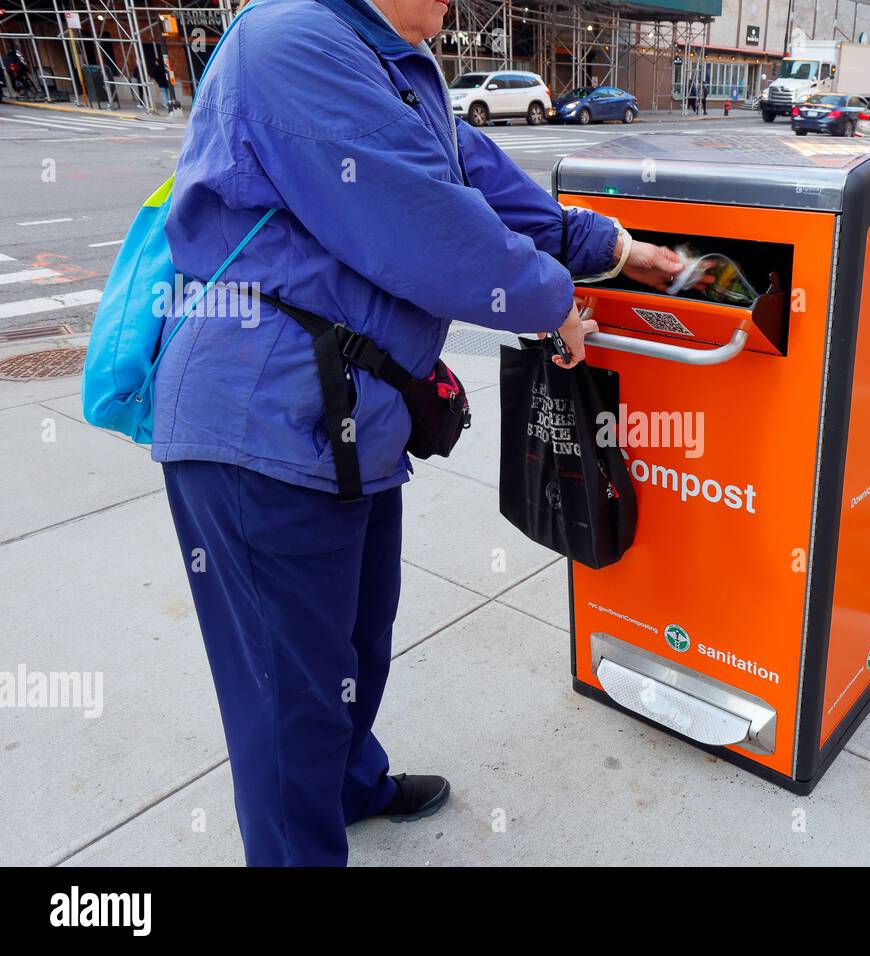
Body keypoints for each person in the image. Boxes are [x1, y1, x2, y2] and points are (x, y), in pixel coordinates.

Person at [155, 0, 693, 866]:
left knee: (360, 639)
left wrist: (616, 249)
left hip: (350, 423)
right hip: (260, 426)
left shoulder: (399, 62)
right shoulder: (292, 40)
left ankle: (350, 786)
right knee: (286, 698)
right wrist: (553, 303)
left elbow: (479, 184)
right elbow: (428, 225)